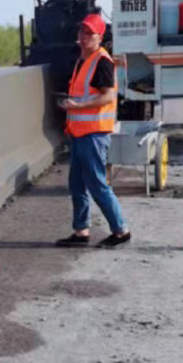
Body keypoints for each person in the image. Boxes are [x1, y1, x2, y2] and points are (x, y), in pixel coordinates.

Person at [55, 13, 130, 248]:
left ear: (100, 37)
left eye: (90, 33)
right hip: (80, 133)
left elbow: (107, 96)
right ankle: (81, 231)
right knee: (77, 184)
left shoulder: (102, 61)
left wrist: (78, 106)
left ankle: (121, 231)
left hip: (94, 134)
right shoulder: (83, 60)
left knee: (97, 184)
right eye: (82, 31)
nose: (84, 36)